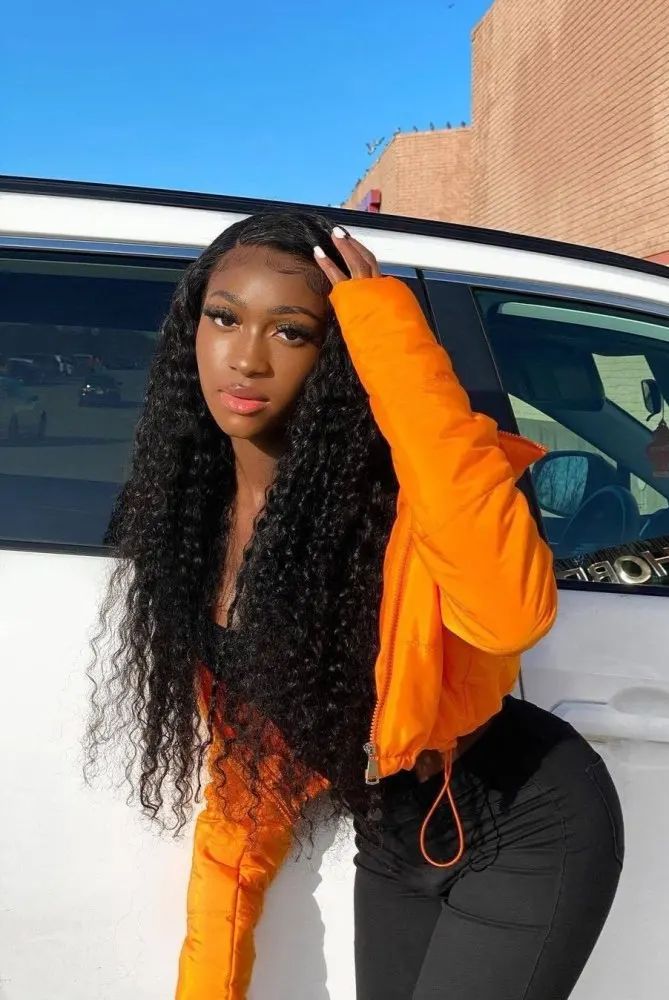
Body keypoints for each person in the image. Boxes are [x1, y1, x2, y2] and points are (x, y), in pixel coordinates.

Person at [87, 212, 623, 1000]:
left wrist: (388, 334)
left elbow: (509, 613)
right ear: (190, 326)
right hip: (394, 838)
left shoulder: (400, 503)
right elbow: (246, 789)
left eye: (291, 331)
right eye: (224, 317)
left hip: (522, 817)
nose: (246, 358)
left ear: (338, 351)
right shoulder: (192, 523)